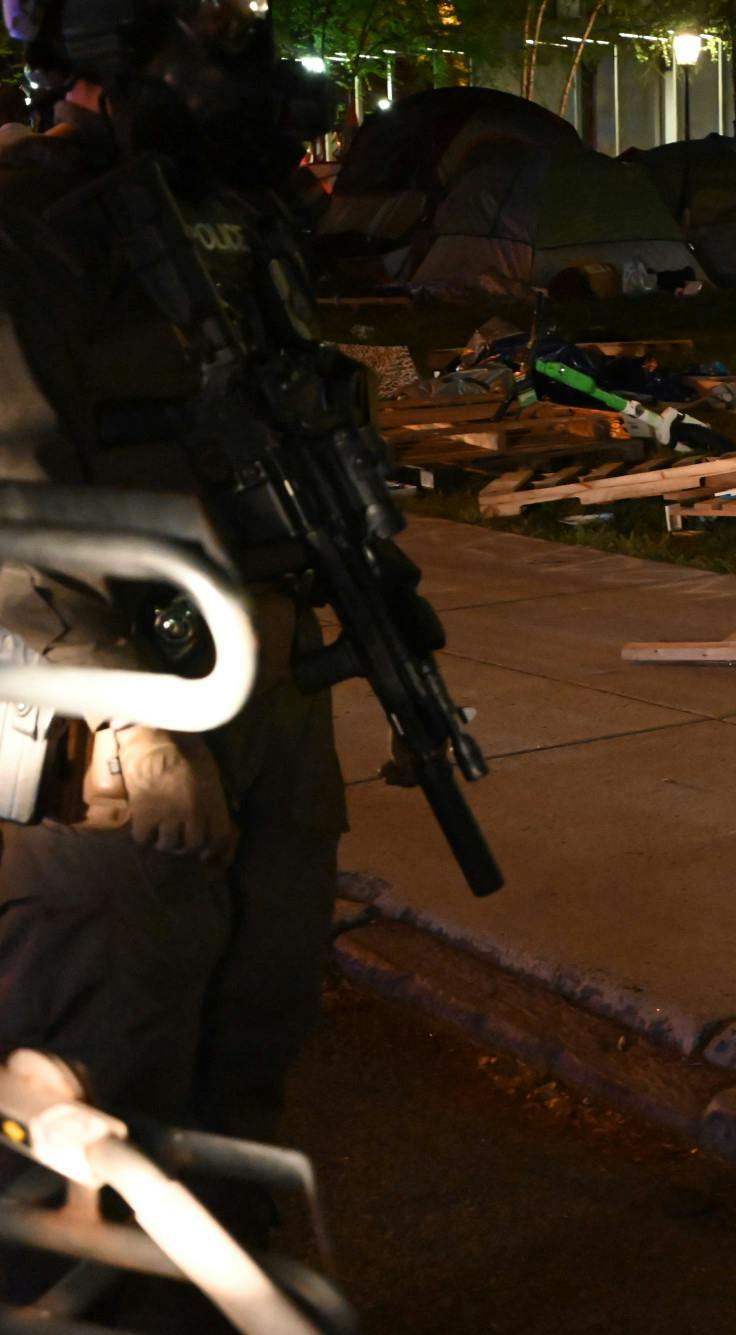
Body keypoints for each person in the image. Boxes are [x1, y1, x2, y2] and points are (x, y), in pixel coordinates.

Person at [0, 0, 348, 1192]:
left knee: (252, 1045)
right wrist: (133, 715)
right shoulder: (28, 220)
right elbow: (8, 497)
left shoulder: (223, 221)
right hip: (103, 721)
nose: (242, 44)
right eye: (212, 15)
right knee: (101, 1079)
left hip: (264, 683)